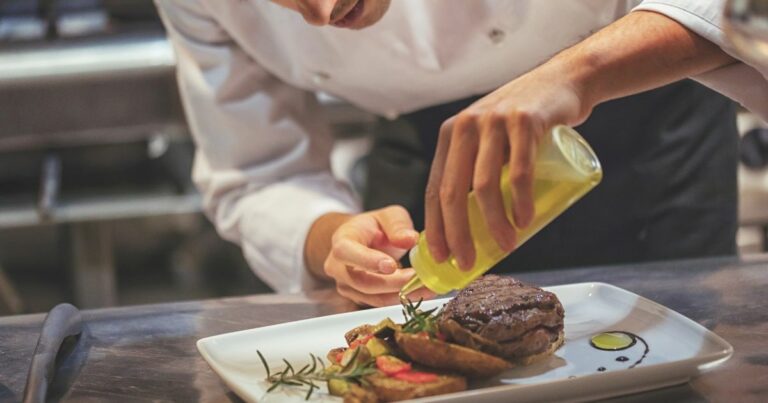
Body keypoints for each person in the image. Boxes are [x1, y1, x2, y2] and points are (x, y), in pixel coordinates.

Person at [154, 0, 768, 307]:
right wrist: (332, 238)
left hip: (640, 116)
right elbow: (256, 172)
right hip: (428, 161)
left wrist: (578, 75)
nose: (322, 12)